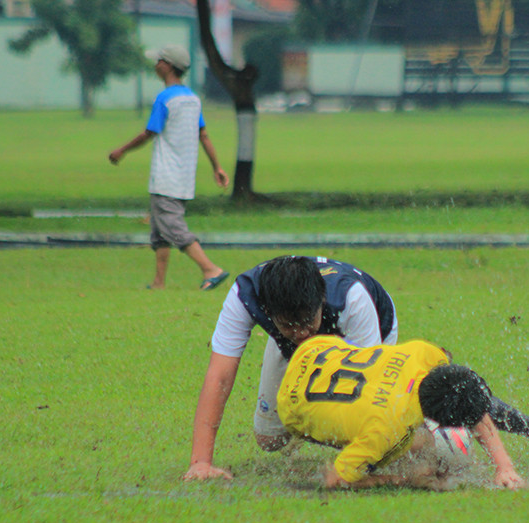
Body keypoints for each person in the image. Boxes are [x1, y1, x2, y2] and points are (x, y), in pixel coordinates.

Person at [275, 335, 529, 490]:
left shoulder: (420, 352)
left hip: (316, 349)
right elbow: (334, 479)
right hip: (290, 408)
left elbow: (459, 385)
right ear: (444, 423)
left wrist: (503, 466)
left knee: (457, 390)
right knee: (408, 447)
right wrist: (406, 479)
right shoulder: (387, 431)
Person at [183, 255, 398, 480]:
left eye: (308, 323)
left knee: (359, 425)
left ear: (322, 300)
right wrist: (201, 462)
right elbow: (220, 377)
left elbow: (369, 386)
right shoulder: (244, 296)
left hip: (360, 335)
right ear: (267, 311)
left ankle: (427, 431)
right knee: (269, 439)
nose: (302, 334)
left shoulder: (352, 299)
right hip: (286, 343)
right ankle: (304, 419)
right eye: (289, 326)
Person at [108, 44, 230, 291]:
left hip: (165, 177)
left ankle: (210, 269)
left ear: (167, 66)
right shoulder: (192, 99)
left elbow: (149, 133)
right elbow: (203, 135)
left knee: (173, 228)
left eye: (158, 61)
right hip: (184, 177)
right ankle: (158, 282)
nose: (155, 66)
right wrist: (217, 166)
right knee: (160, 231)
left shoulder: (164, 99)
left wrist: (121, 150)